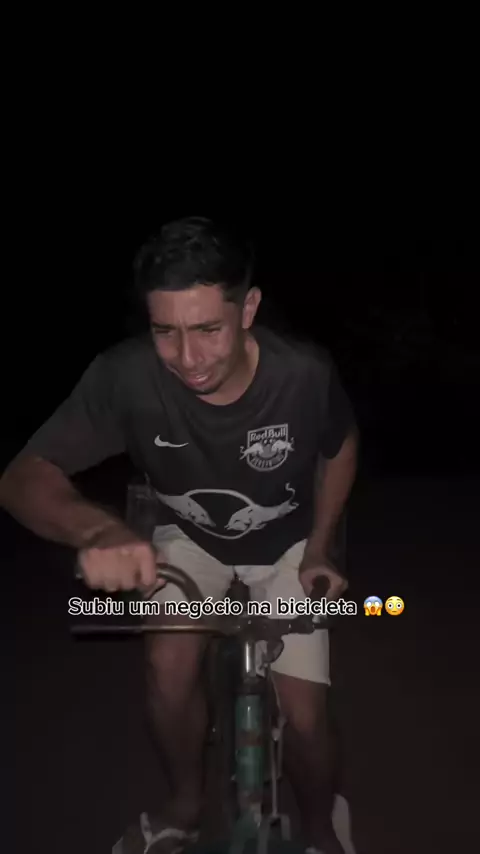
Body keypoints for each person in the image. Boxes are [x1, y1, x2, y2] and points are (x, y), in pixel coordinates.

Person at [0, 216, 358, 854]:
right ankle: (185, 804)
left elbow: (340, 446)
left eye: (207, 329)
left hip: (288, 543)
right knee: (166, 665)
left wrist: (322, 547)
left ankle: (318, 825)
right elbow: (22, 477)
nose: (187, 359)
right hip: (186, 537)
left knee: (305, 711)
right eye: (165, 331)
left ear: (248, 308)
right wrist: (97, 529)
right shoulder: (125, 377)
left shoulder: (303, 373)